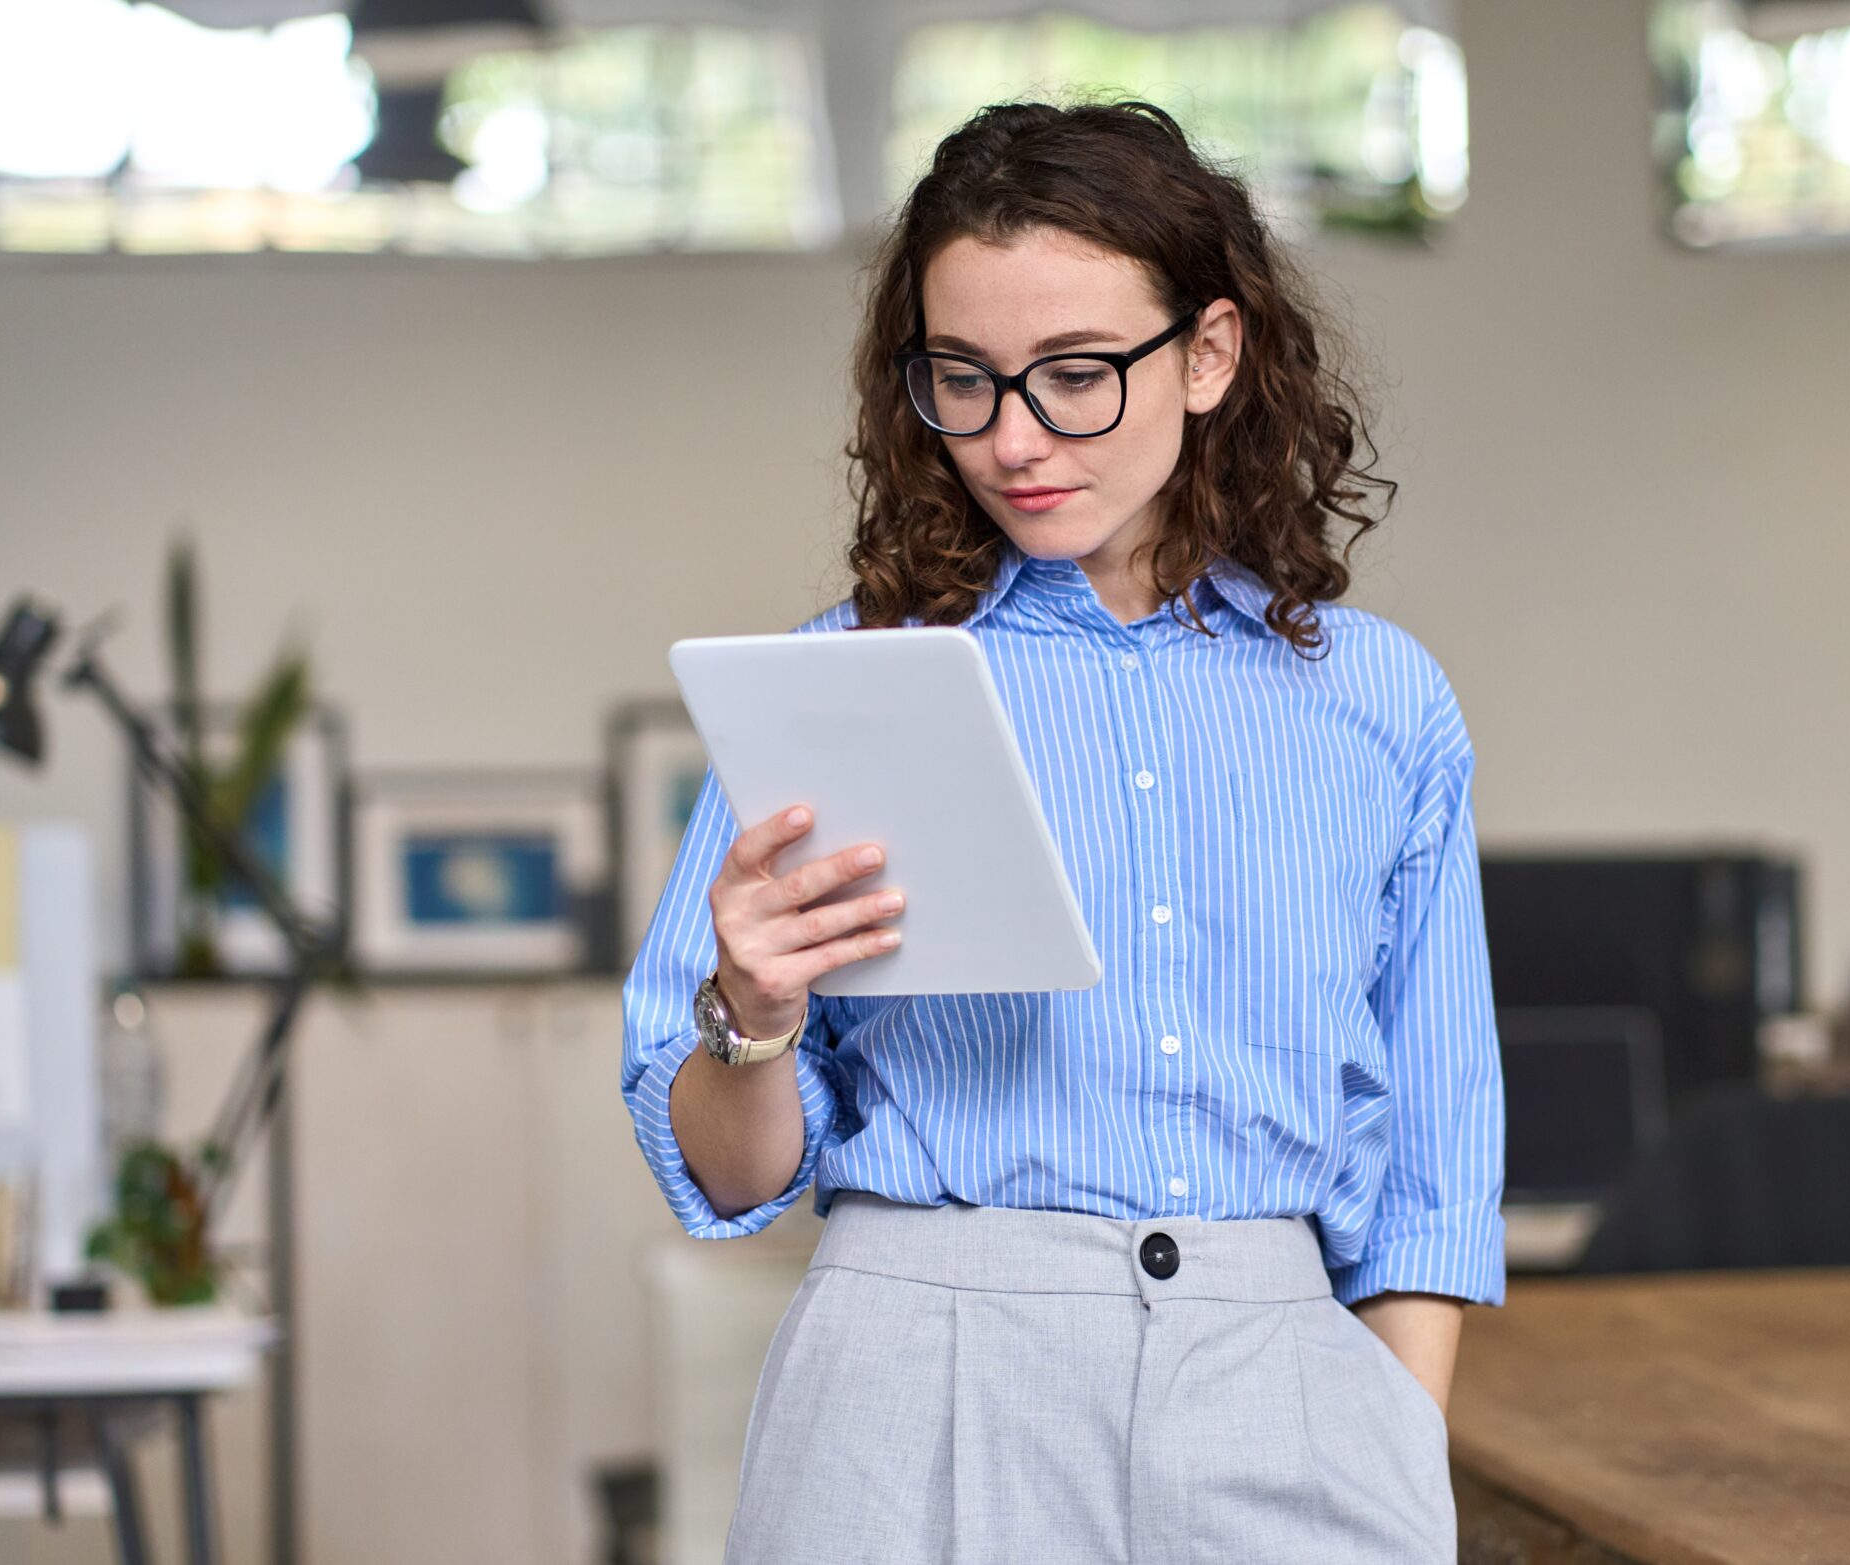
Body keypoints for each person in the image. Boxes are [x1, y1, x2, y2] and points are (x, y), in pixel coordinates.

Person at [621, 99, 1504, 1563]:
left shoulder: (1381, 704)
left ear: (1210, 353)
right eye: (961, 379)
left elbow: (1431, 1158)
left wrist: (1393, 1446)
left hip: (1285, 1383)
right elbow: (722, 1168)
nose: (1012, 438)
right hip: (915, 1386)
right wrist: (755, 1016)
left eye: (1077, 375)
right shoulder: (846, 684)